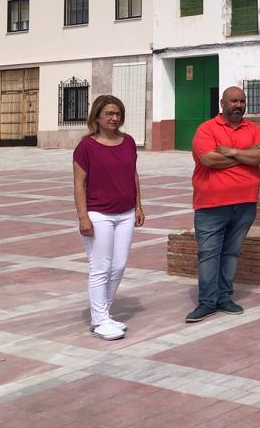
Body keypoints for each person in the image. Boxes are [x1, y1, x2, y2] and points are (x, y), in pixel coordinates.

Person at [187, 86, 260, 323]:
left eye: (242, 101)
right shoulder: (207, 128)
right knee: (209, 253)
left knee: (231, 252)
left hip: (245, 204)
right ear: (222, 103)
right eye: (233, 101)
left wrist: (231, 151)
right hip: (211, 204)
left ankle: (224, 297)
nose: (238, 105)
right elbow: (208, 159)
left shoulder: (254, 128)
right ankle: (207, 302)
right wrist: (246, 156)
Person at [73, 95, 144, 340]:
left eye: (118, 114)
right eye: (109, 114)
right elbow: (79, 184)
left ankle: (103, 315)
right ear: (97, 117)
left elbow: (133, 174)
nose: (114, 118)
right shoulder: (86, 146)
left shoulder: (128, 142)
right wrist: (83, 217)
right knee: (100, 268)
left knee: (119, 265)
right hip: (98, 214)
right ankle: (100, 320)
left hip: (125, 213)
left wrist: (138, 205)